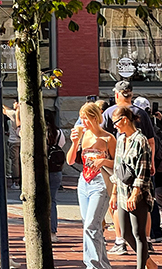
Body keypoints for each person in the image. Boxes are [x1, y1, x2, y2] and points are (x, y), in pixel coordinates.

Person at [66, 103, 114, 269]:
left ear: (95, 117)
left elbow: (118, 164)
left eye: (86, 117)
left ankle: (92, 265)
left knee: (91, 226)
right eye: (82, 117)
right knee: (92, 227)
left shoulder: (108, 138)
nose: (83, 121)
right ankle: (104, 265)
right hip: (84, 182)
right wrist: (74, 142)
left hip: (101, 183)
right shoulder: (83, 135)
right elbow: (70, 161)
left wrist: (104, 161)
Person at [109, 107, 158, 269]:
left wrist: (135, 193)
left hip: (137, 193)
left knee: (139, 234)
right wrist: (114, 193)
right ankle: (148, 262)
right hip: (122, 191)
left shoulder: (140, 139)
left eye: (115, 122)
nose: (114, 125)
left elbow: (143, 170)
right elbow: (117, 168)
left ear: (124, 119)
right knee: (125, 233)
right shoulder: (121, 139)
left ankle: (142, 266)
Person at [45, 109, 65, 242]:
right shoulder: (59, 132)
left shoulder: (37, 132)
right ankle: (53, 232)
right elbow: (61, 145)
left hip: (42, 170)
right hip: (56, 170)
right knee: (52, 201)